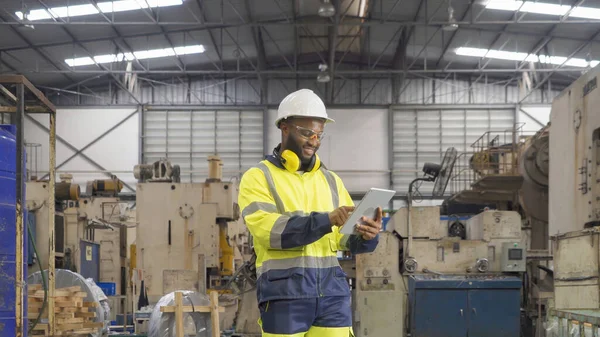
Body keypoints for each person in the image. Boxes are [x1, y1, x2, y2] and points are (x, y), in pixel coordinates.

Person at [238, 89, 382, 337]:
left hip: (332, 295)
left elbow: (343, 239)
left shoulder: (331, 180)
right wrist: (327, 220)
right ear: (284, 128)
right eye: (306, 133)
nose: (314, 141)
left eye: (319, 135)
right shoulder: (259, 177)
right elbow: (271, 233)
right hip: (285, 295)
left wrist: (367, 235)